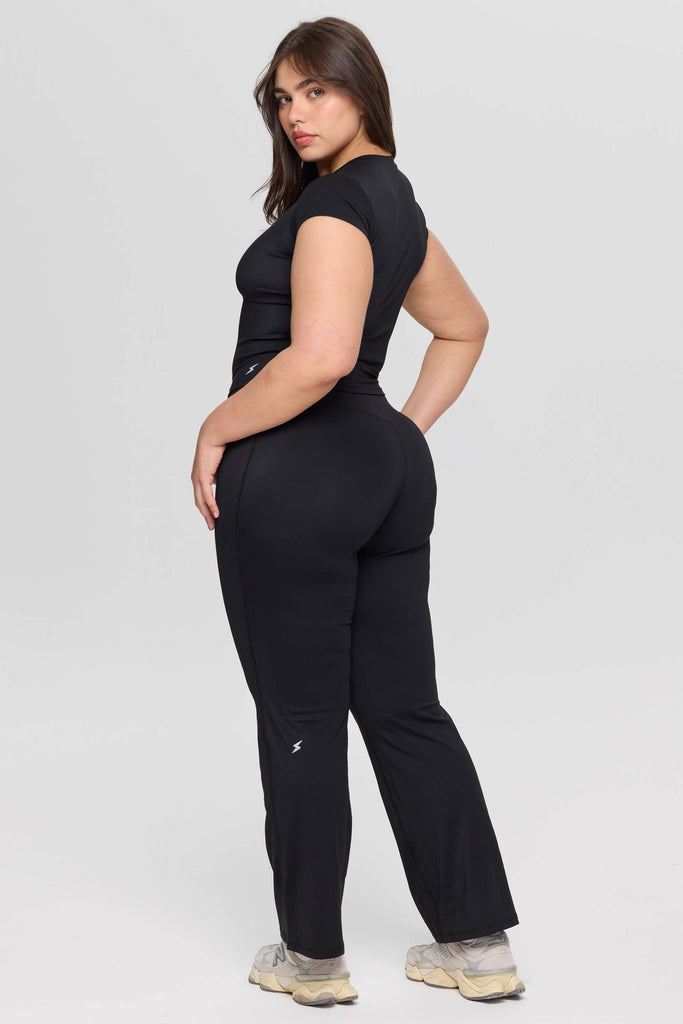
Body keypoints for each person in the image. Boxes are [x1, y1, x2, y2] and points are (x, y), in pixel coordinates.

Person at [191, 16, 525, 1009]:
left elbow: (323, 357)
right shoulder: (396, 205)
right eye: (281, 99)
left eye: (316, 91)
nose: (295, 114)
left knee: (300, 715)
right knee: (403, 705)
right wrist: (398, 432)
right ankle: (475, 946)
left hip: (296, 476)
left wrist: (214, 427)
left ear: (361, 91)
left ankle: (311, 958)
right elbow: (463, 327)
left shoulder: (335, 206)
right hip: (382, 477)